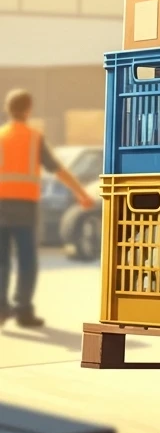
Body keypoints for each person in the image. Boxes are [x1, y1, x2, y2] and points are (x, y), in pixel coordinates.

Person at [0, 89, 94, 329]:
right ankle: (23, 311)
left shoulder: (0, 136)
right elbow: (57, 169)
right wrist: (82, 194)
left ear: (7, 109)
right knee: (27, 261)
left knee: (1, 261)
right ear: (29, 109)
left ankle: (1, 309)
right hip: (25, 208)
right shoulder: (33, 138)